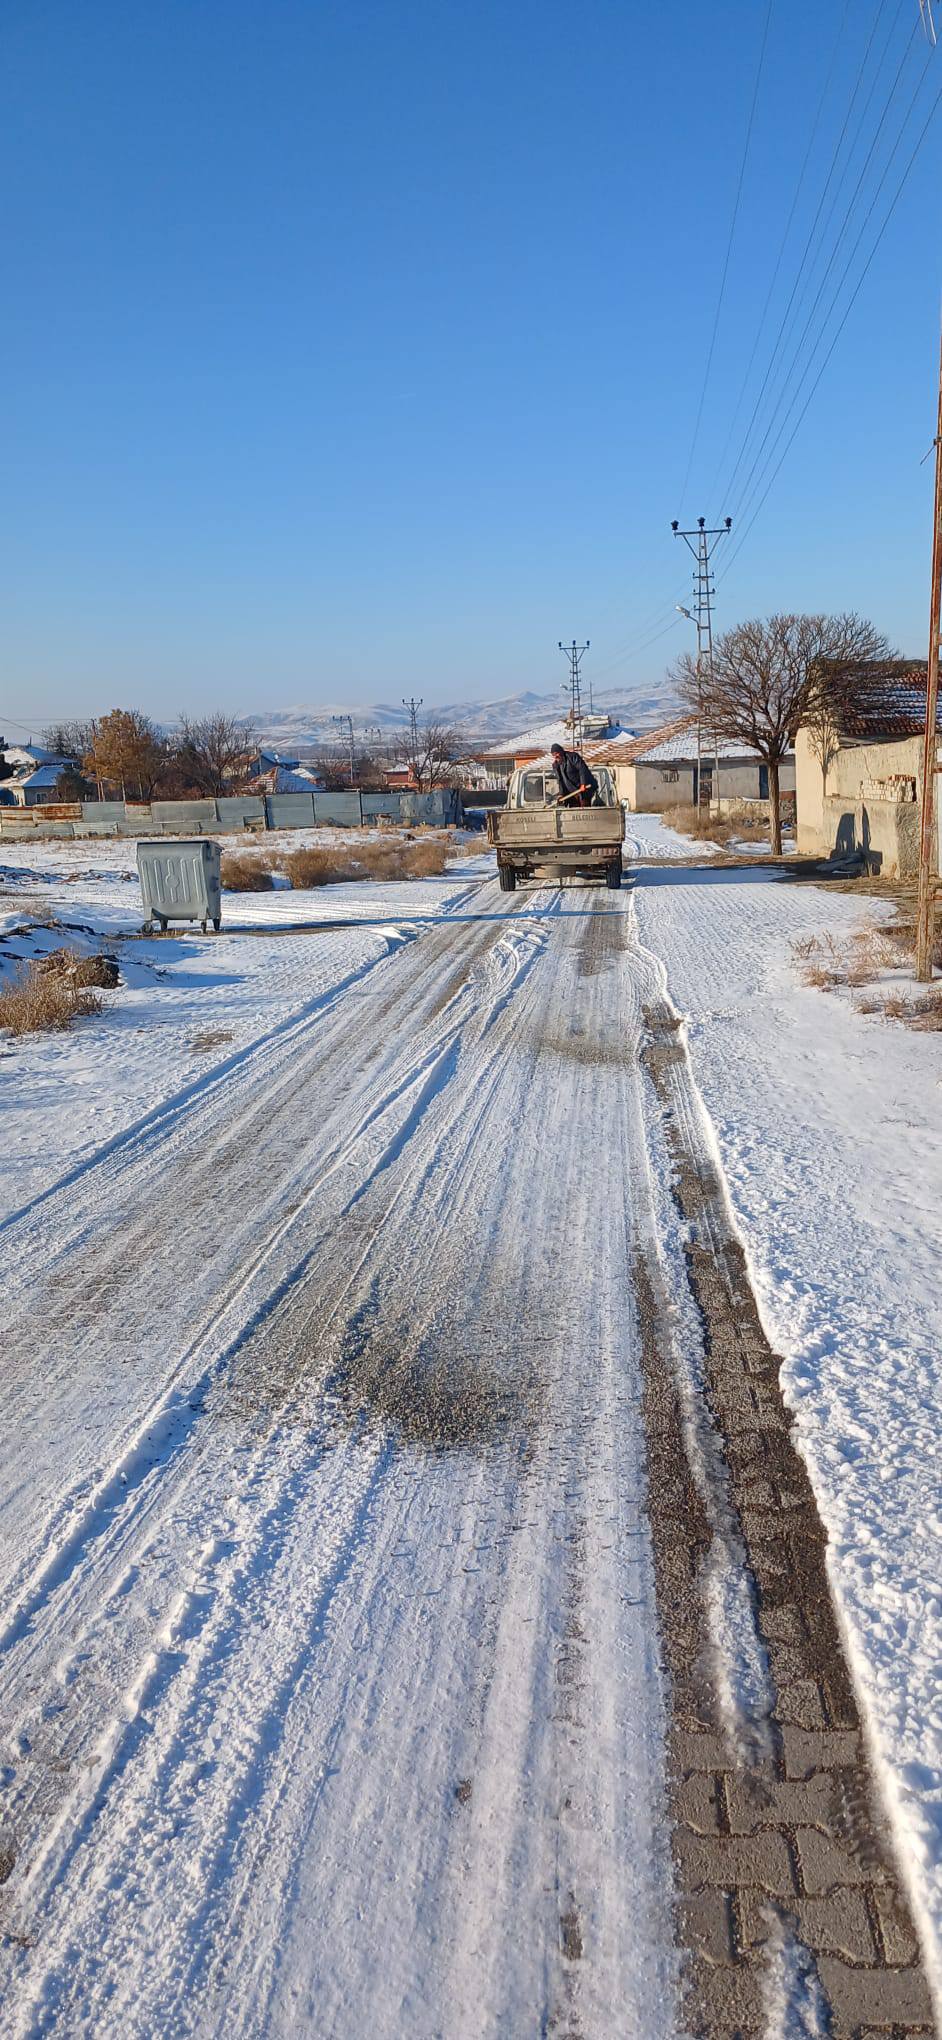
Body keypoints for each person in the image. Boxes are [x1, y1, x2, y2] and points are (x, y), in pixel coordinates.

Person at [550, 742, 598, 808]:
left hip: (583, 790)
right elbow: (560, 781)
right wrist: (561, 794)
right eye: (553, 755)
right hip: (571, 793)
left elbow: (582, 769)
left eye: (556, 754)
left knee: (584, 809)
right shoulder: (556, 765)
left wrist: (583, 784)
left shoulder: (572, 757)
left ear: (561, 752)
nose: (555, 757)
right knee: (573, 811)